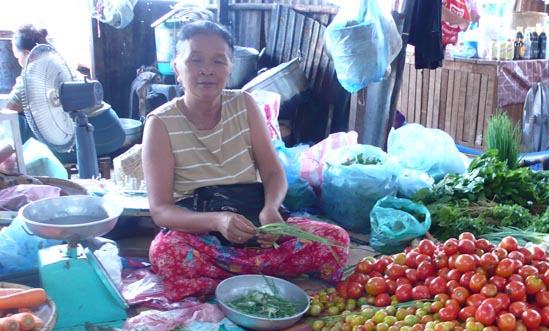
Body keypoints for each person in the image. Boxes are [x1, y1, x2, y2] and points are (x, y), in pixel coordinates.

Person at [142, 20, 350, 302]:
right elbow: (161, 211)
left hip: (255, 222)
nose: (207, 70)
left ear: (230, 68)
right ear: (177, 68)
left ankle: (230, 280)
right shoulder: (160, 123)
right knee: (166, 254)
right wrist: (218, 220)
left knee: (335, 241)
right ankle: (262, 275)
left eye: (219, 61)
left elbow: (273, 173)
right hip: (202, 230)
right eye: (195, 60)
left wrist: (271, 209)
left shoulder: (244, 104)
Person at [5, 24, 125, 162]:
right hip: (113, 128)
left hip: (96, 132)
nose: (19, 62)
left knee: (23, 129)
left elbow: (8, 113)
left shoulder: (30, 76)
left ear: (27, 54)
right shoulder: (58, 62)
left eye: (17, 57)